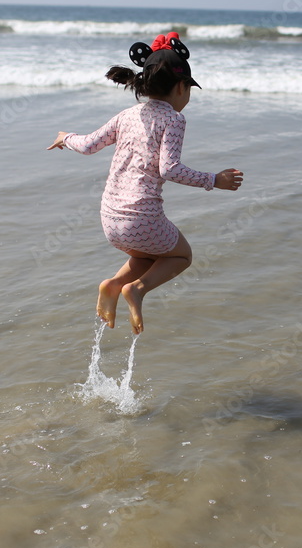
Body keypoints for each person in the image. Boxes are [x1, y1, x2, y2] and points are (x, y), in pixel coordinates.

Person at [47, 32, 243, 334]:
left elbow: (87, 145)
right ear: (180, 87)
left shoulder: (126, 115)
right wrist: (213, 180)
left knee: (149, 253)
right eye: (189, 89)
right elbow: (169, 169)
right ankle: (136, 289)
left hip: (110, 220)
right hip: (141, 220)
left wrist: (64, 138)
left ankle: (113, 284)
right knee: (182, 255)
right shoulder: (174, 120)